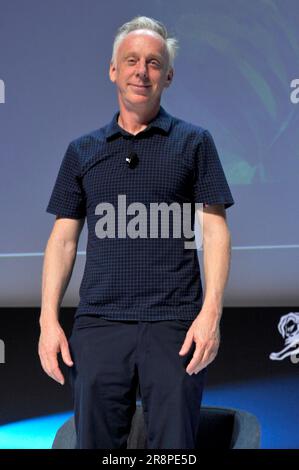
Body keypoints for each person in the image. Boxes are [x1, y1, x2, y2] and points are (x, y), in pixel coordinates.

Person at [38, 15, 234, 449]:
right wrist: (47, 319)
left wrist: (211, 314)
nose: (141, 72)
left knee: (174, 451)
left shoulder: (195, 142)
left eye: (152, 62)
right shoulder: (82, 151)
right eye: (131, 61)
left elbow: (215, 232)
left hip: (175, 325)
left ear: (168, 75)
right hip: (100, 325)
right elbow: (64, 239)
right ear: (113, 70)